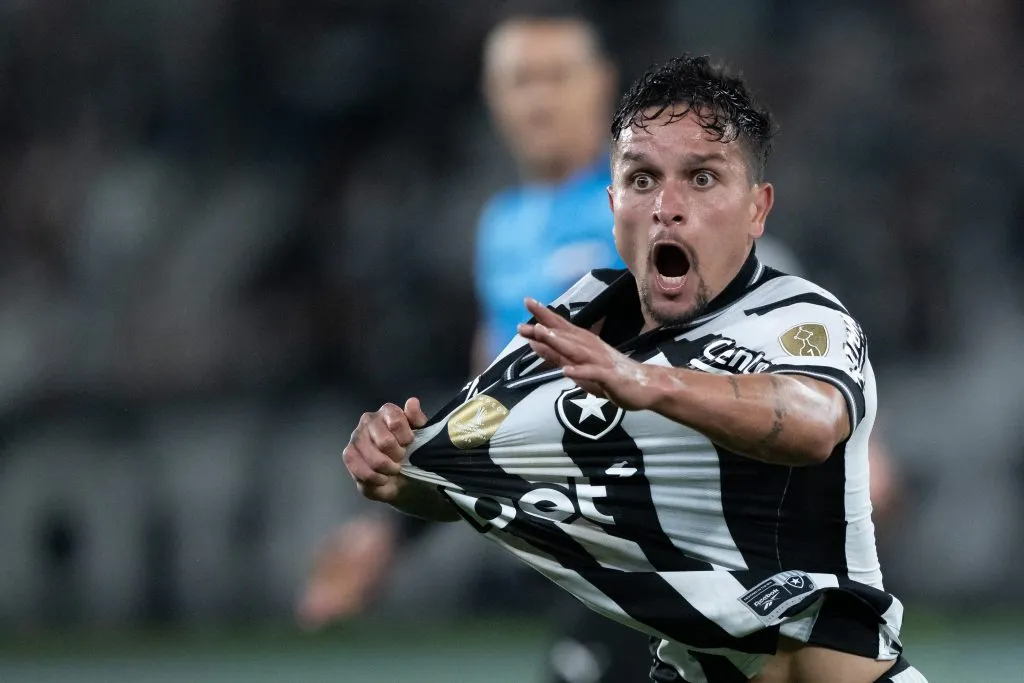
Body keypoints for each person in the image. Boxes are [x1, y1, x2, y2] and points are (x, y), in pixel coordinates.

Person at [340, 55, 927, 683]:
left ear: (758, 209)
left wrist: (647, 383)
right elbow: (478, 475)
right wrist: (398, 470)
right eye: (643, 180)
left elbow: (812, 422)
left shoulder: (799, 318)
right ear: (614, 202)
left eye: (702, 179)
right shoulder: (573, 322)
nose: (667, 206)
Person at [299, 11, 655, 682]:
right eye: (521, 79)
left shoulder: (643, 203)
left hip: (668, 547)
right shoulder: (502, 228)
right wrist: (393, 527)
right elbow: (490, 400)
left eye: (558, 76)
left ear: (602, 86)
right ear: (494, 97)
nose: (540, 97)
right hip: (589, 559)